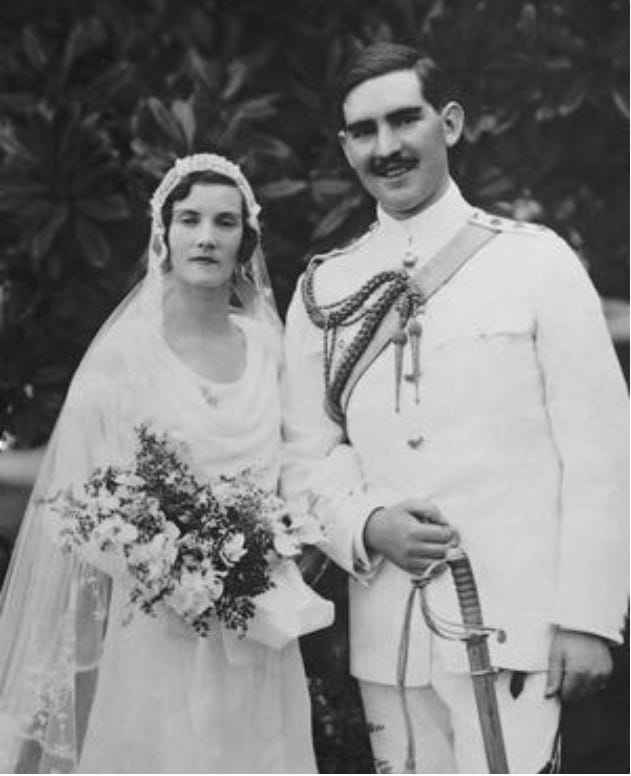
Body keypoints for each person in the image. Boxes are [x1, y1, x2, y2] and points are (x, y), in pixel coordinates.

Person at [282, 42, 628, 773]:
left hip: (518, 628)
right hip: (389, 637)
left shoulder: (535, 261)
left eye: (403, 120)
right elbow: (301, 458)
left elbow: (602, 452)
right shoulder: (325, 289)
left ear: (450, 123)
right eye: (364, 131)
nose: (386, 147)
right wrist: (366, 524)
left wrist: (588, 617)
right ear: (345, 148)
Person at [0, 153, 325, 773]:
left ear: (245, 240)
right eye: (190, 219)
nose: (206, 237)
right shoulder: (123, 358)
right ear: (164, 234)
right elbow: (83, 509)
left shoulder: (270, 348)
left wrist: (278, 544)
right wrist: (165, 566)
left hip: (259, 628)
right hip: (156, 633)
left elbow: (299, 473)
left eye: (225, 222)